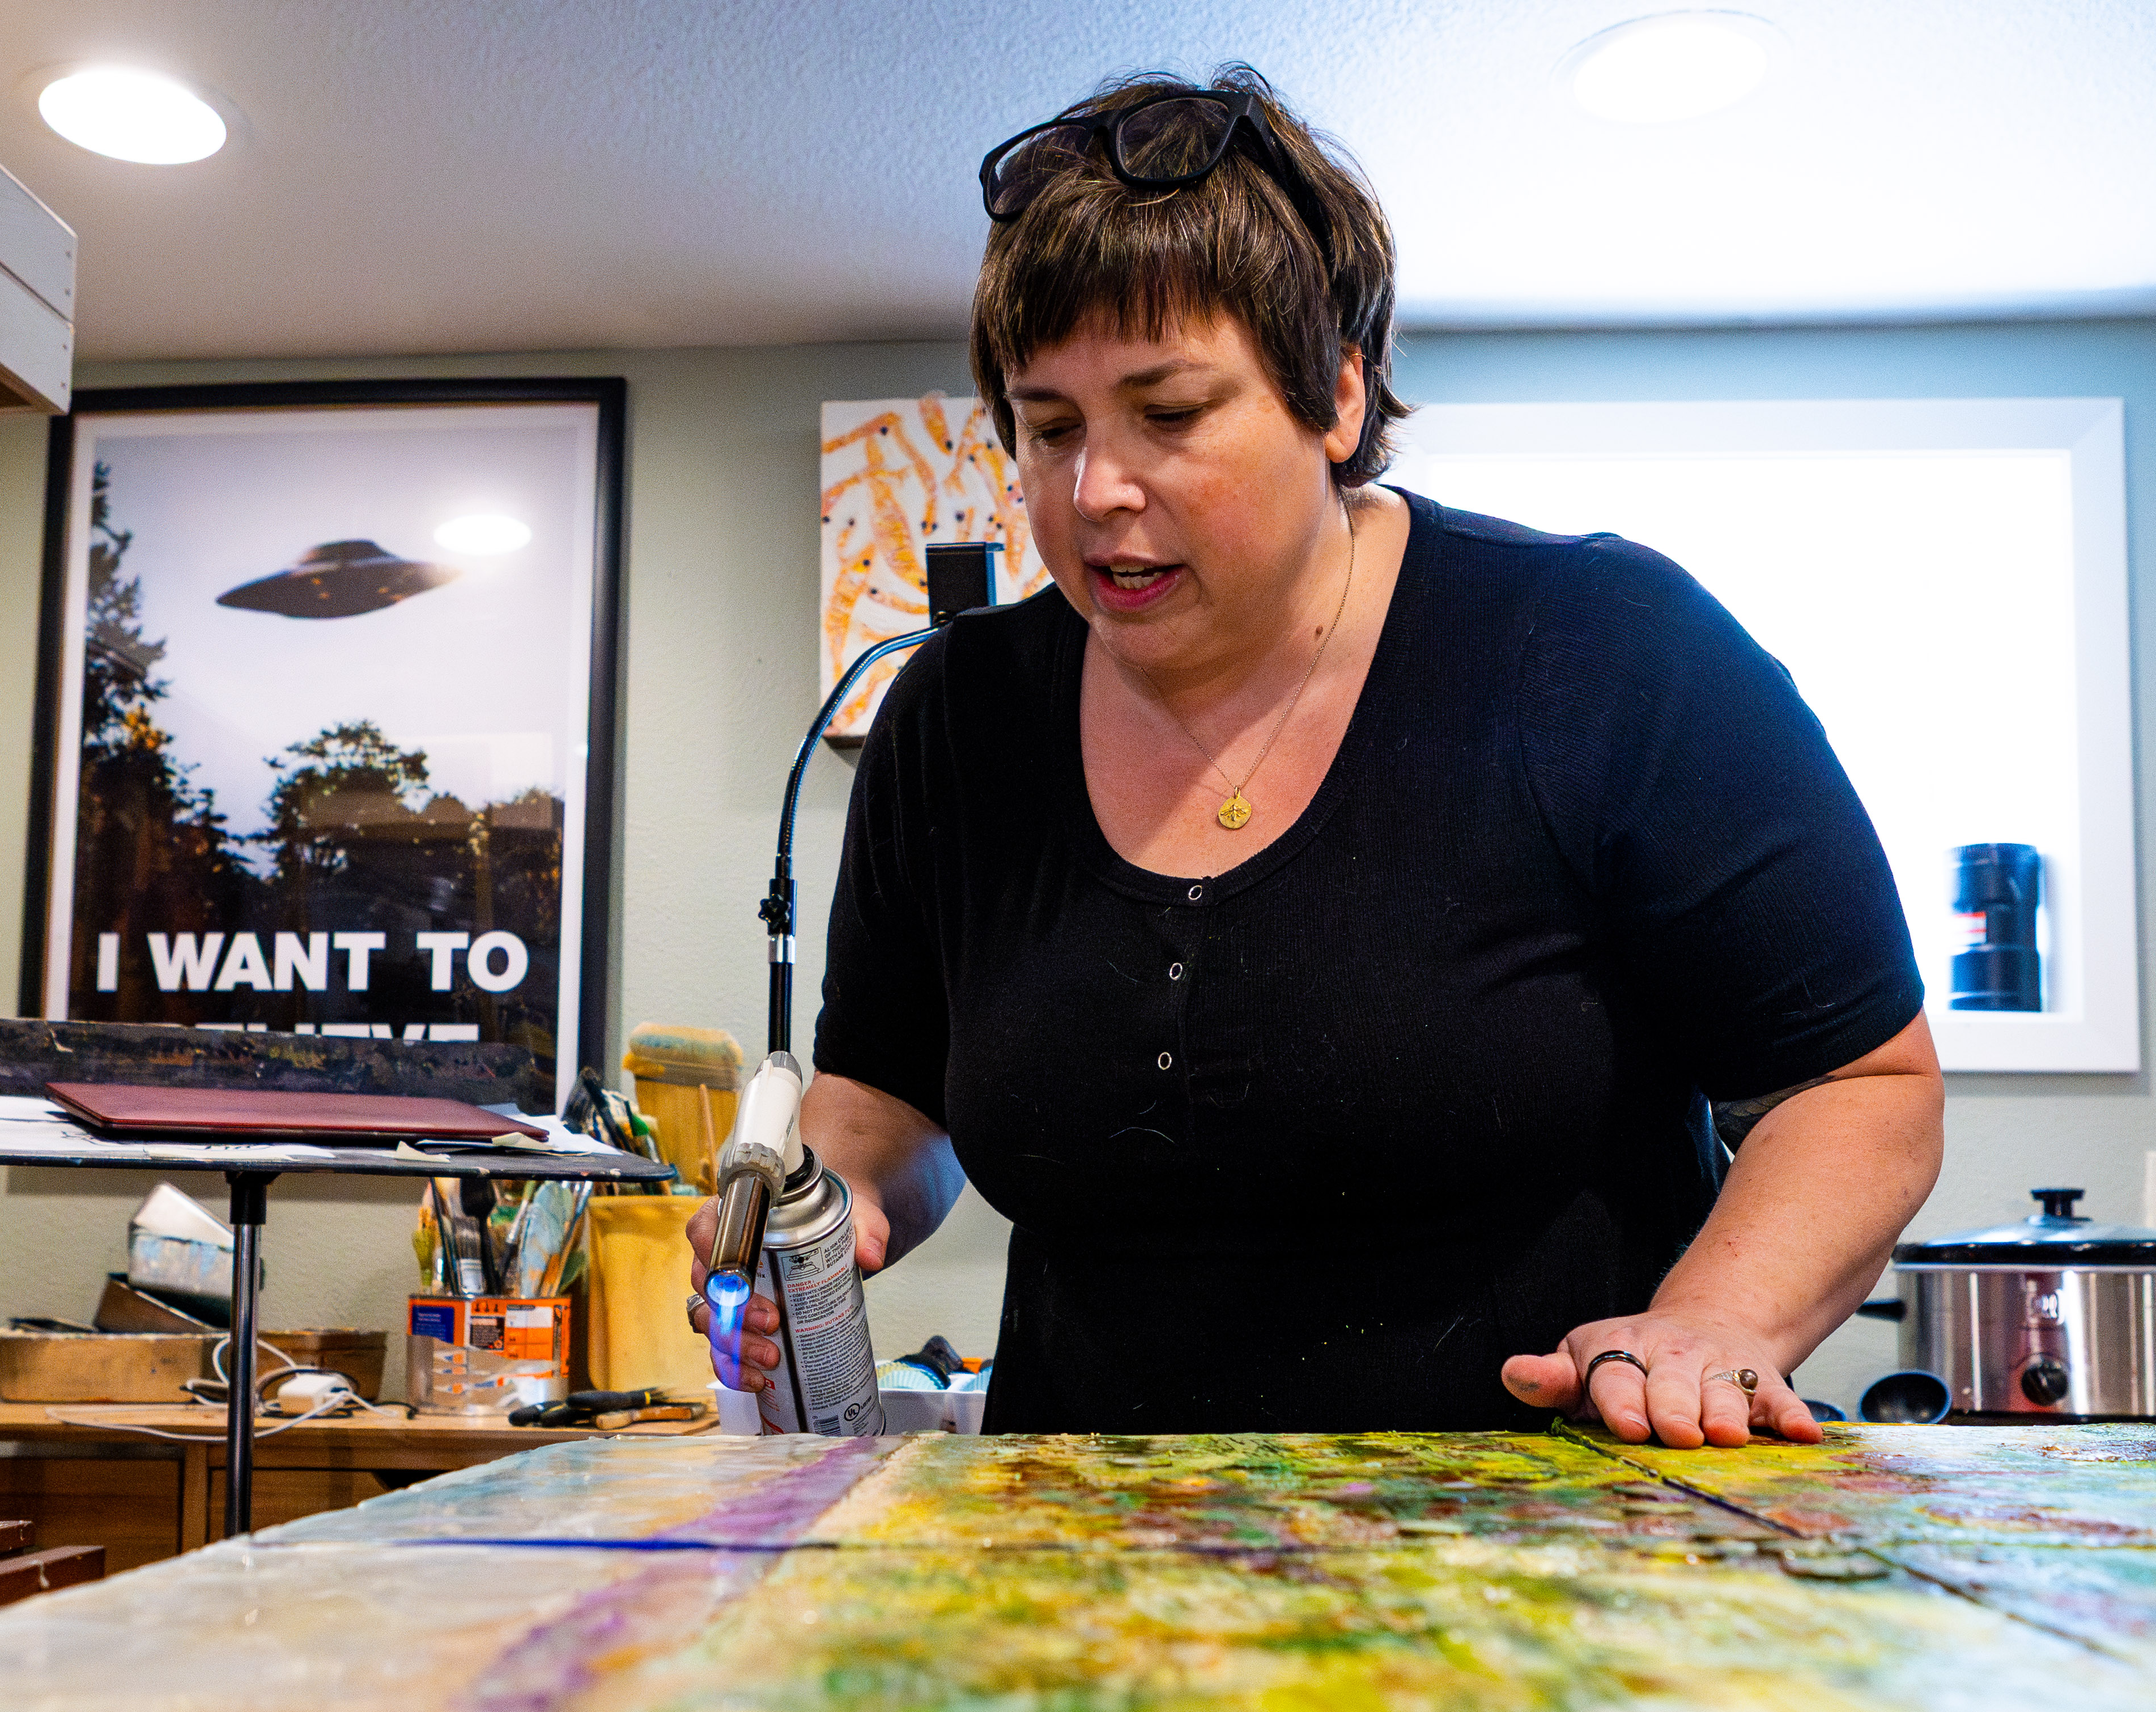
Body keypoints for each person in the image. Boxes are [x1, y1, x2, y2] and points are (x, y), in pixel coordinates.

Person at [694, 66, 1943, 1447]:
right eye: (1049, 429)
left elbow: (1856, 1086)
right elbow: (890, 1098)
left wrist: (1715, 1320)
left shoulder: (1605, 649)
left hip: (1547, 1539)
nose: (1096, 488)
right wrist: (835, 1210)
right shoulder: (955, 715)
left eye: (1170, 413)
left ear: (1335, 397)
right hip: (1083, 1543)